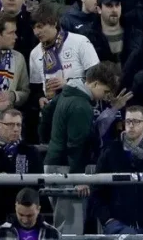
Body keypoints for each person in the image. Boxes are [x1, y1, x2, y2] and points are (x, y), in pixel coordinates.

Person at [43, 62, 121, 235]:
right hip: (67, 169)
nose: (105, 96)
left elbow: (46, 114)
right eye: (105, 91)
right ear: (95, 83)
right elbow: (76, 145)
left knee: (64, 226)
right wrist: (78, 178)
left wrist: (53, 142)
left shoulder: (66, 93)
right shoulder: (81, 106)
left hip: (56, 164)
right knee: (70, 229)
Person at [92, 105, 143, 235]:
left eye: (136, 121)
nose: (131, 125)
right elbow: (97, 189)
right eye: (128, 121)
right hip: (116, 226)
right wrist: (108, 220)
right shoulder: (110, 151)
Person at [29, 4, 100, 104]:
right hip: (52, 108)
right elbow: (36, 89)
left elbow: (97, 79)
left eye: (40, 26)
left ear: (54, 23)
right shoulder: (35, 53)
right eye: (34, 28)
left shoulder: (80, 42)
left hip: (79, 104)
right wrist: (40, 98)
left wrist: (68, 84)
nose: (36, 32)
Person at [0, 15, 29, 109]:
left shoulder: (19, 58)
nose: (16, 37)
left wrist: (12, 96)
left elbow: (25, 92)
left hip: (8, 115)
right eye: (11, 33)